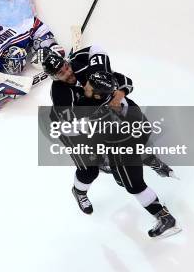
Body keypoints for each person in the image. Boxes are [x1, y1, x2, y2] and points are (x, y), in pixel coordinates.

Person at [42, 46, 181, 238]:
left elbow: (122, 81)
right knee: (89, 169)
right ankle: (79, 191)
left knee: (129, 167)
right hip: (72, 130)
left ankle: (141, 166)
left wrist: (119, 94)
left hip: (109, 128)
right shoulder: (63, 94)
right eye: (61, 72)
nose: (68, 73)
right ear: (54, 77)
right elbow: (77, 126)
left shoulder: (95, 84)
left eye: (66, 66)